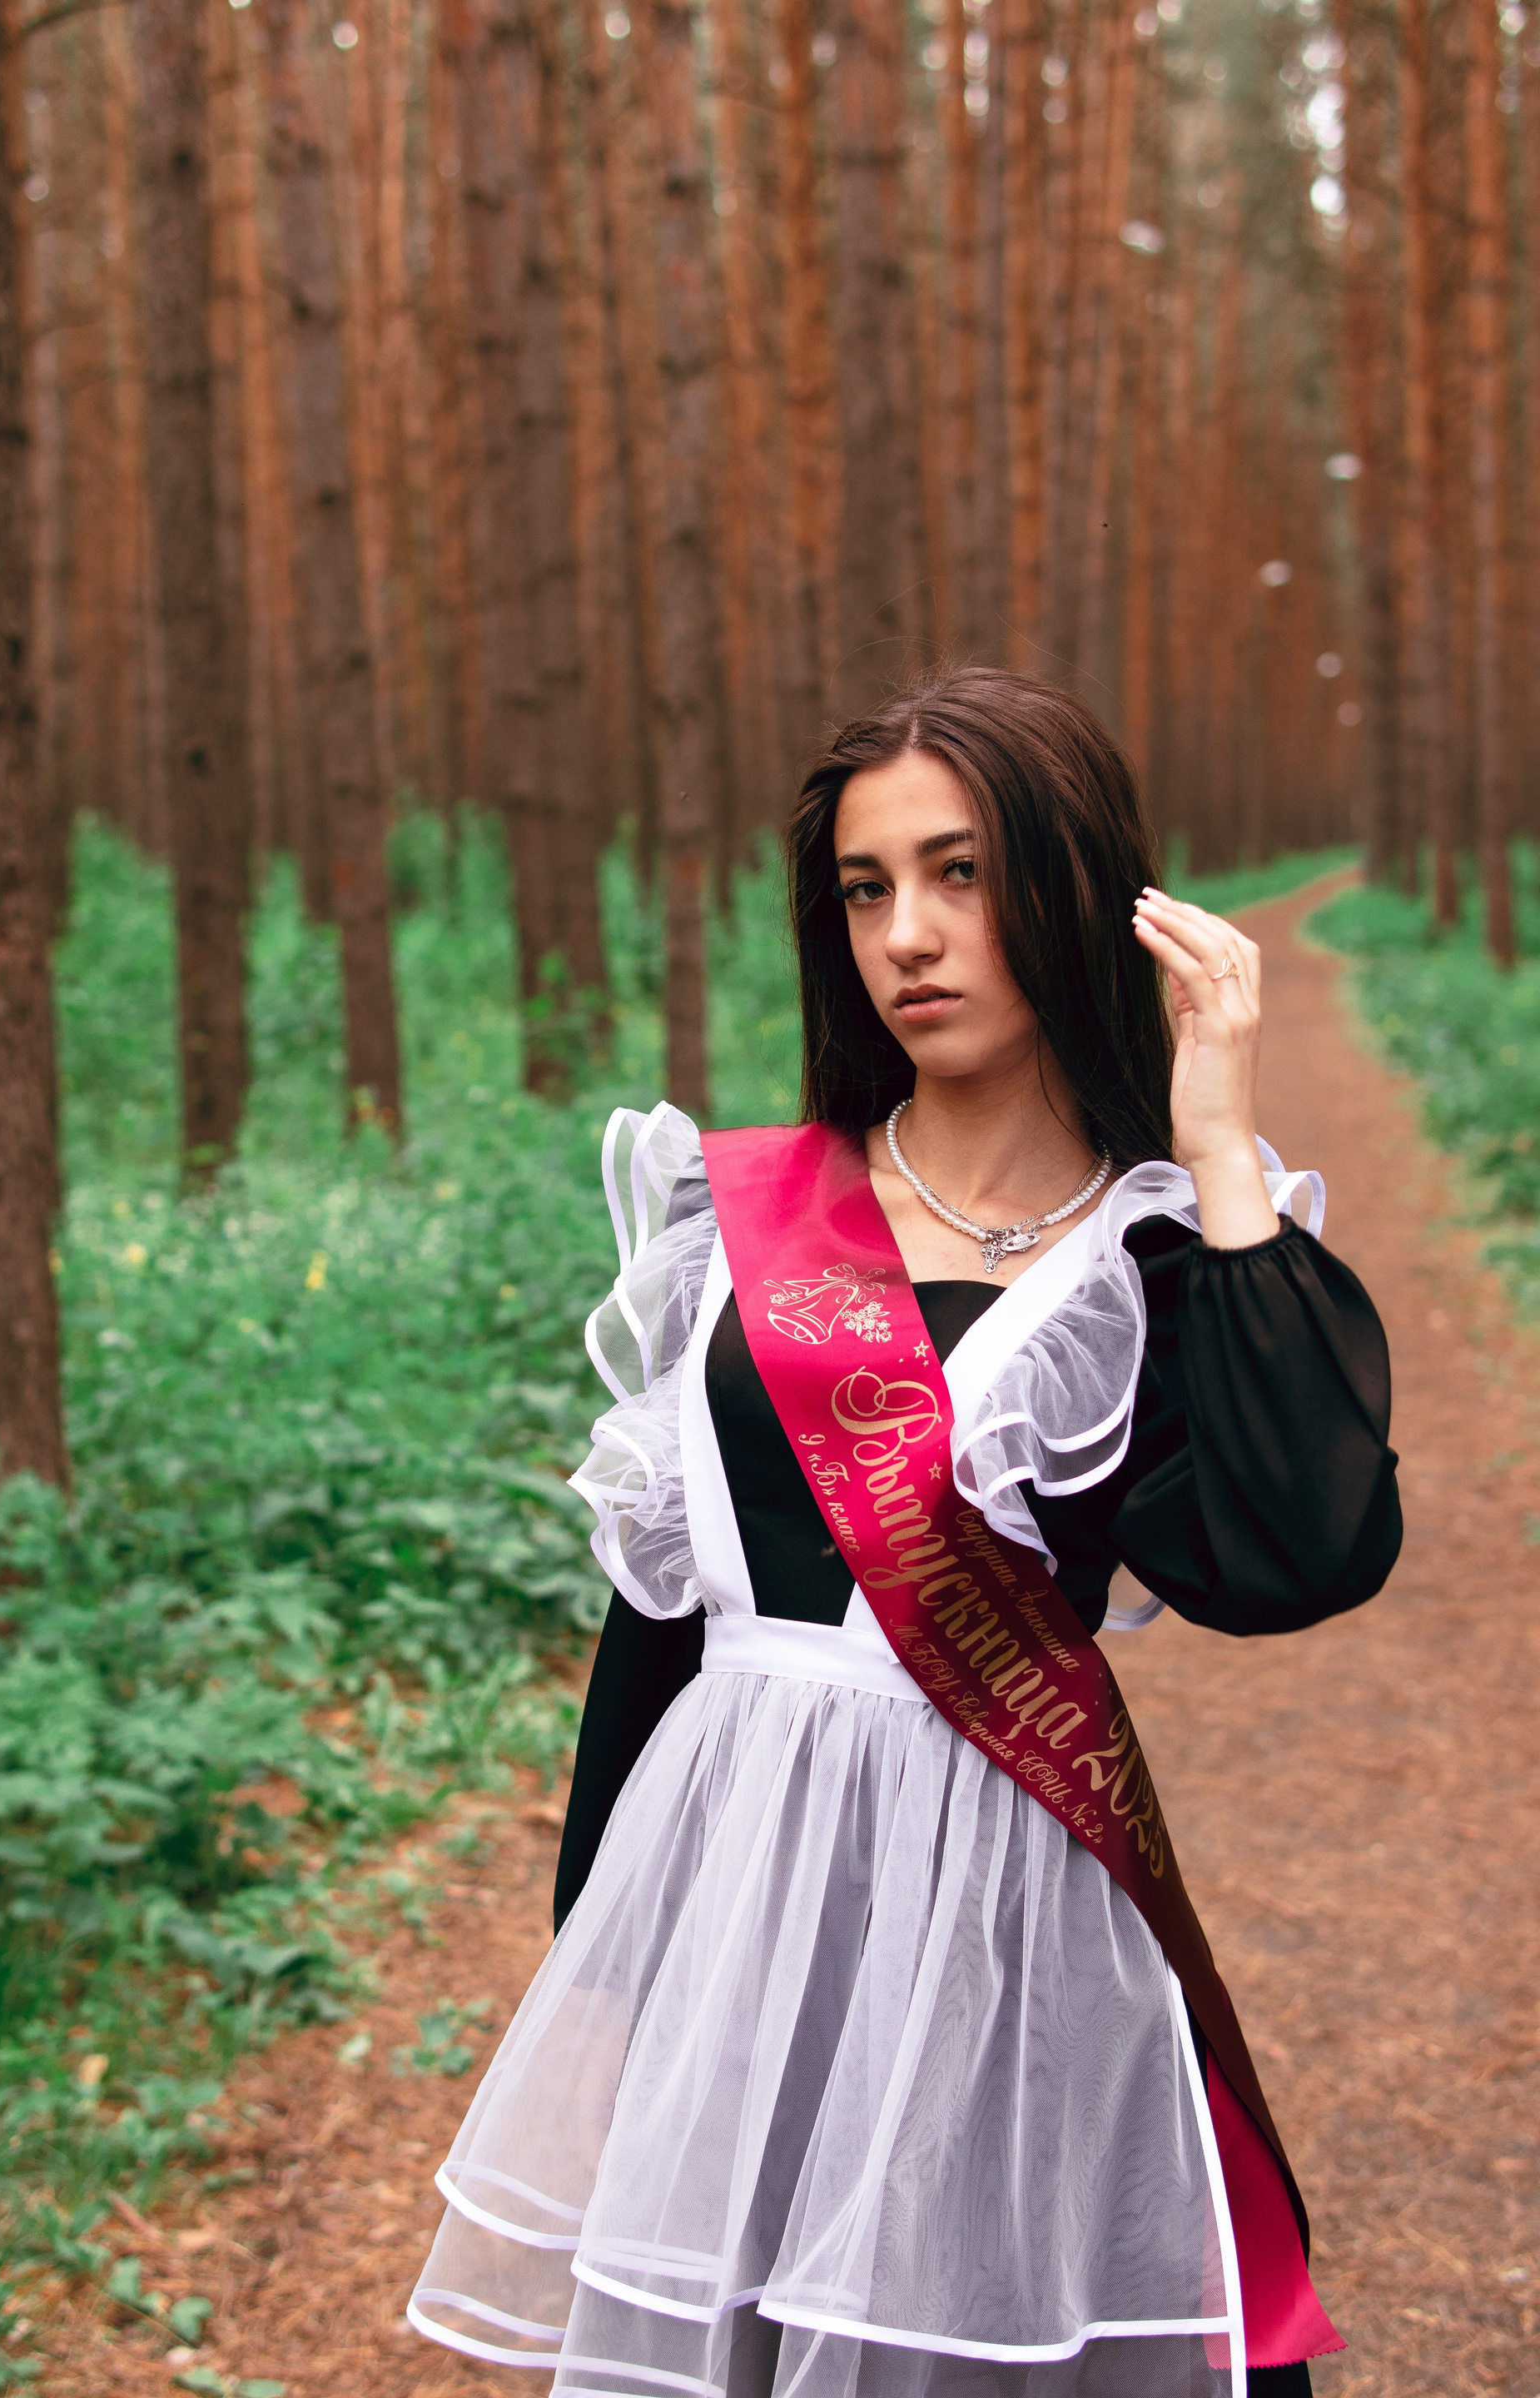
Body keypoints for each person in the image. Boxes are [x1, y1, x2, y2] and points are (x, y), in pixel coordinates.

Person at [409, 669, 1401, 2398]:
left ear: (1077, 889)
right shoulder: (744, 1219)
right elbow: (666, 1624)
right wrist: (613, 1963)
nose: (907, 937)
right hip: (736, 1919)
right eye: (867, 890)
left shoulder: (1151, 1263)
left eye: (961, 874)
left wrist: (1222, 1146)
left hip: (992, 1936)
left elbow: (1298, 1553)